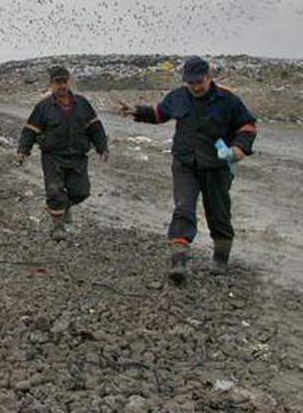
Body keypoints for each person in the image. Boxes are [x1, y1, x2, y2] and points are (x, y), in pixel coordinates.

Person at [118, 56, 257, 284]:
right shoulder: (178, 96)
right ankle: (179, 262)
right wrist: (136, 111)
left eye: (198, 82)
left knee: (219, 213)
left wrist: (240, 147)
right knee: (183, 210)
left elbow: (247, 125)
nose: (194, 87)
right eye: (190, 82)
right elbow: (159, 113)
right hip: (185, 164)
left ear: (209, 77)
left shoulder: (227, 99)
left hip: (216, 166)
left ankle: (220, 258)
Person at [17, 66, 109, 240]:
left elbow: (95, 126)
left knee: (81, 192)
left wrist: (102, 147)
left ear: (69, 82)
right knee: (54, 191)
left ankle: (64, 207)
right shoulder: (43, 107)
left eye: (64, 81)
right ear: (51, 84)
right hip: (53, 156)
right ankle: (58, 227)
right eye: (58, 82)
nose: (62, 85)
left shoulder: (82, 103)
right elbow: (30, 130)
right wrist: (23, 151)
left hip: (78, 156)